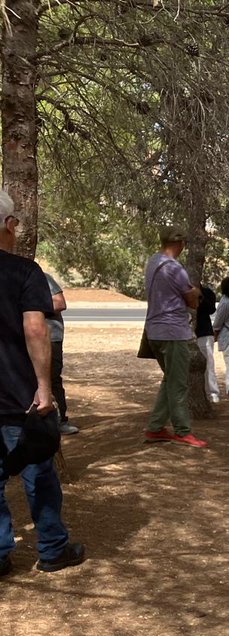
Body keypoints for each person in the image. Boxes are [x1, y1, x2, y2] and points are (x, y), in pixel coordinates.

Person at [0, 189, 86, 576]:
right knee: (38, 473)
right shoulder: (24, 272)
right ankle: (52, 549)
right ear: (9, 224)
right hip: (20, 398)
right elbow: (36, 329)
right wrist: (45, 388)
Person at [143, 226, 206, 448]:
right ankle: (182, 431)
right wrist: (196, 292)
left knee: (170, 379)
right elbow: (192, 301)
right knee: (179, 383)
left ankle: (155, 427)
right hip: (173, 331)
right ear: (181, 244)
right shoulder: (175, 268)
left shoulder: (153, 261)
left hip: (154, 331)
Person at [45, 274, 78, 435]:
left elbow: (59, 303)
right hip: (24, 339)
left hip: (50, 338)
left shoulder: (42, 277)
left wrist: (30, 306)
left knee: (52, 379)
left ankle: (60, 421)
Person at [196, 284, 220, 402]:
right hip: (184, 333)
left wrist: (199, 295)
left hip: (204, 333)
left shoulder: (207, 292)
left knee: (208, 363)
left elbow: (211, 309)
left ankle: (212, 393)